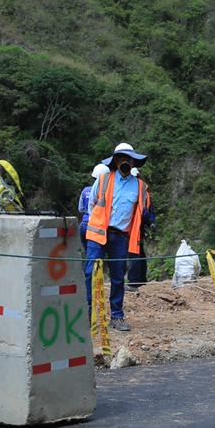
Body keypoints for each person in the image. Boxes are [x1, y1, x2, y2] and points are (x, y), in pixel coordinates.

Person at [83, 142, 154, 332]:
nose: (125, 162)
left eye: (128, 159)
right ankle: (88, 313)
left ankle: (116, 316)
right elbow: (92, 205)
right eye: (121, 158)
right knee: (90, 273)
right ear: (115, 161)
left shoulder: (140, 186)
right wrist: (96, 224)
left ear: (133, 162)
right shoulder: (104, 179)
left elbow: (140, 214)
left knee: (117, 277)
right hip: (98, 234)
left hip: (121, 237)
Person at [126, 167, 149, 291]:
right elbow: (148, 211)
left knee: (134, 254)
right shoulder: (145, 190)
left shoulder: (137, 190)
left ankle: (134, 282)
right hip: (139, 226)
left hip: (134, 227)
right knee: (140, 253)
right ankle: (141, 279)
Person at [78, 163, 109, 252]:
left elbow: (80, 209)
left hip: (84, 225)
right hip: (97, 227)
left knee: (88, 254)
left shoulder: (85, 190)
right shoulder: (106, 192)